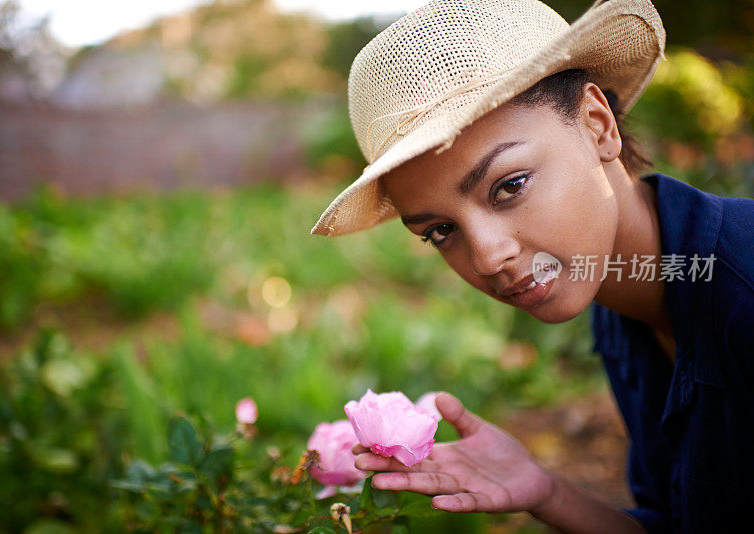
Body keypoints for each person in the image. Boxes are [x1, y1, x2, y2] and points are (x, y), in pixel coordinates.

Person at [309, 0, 754, 532]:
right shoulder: (617, 305)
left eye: (509, 186)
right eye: (440, 232)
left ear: (597, 125)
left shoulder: (742, 288)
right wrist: (544, 491)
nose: (488, 257)